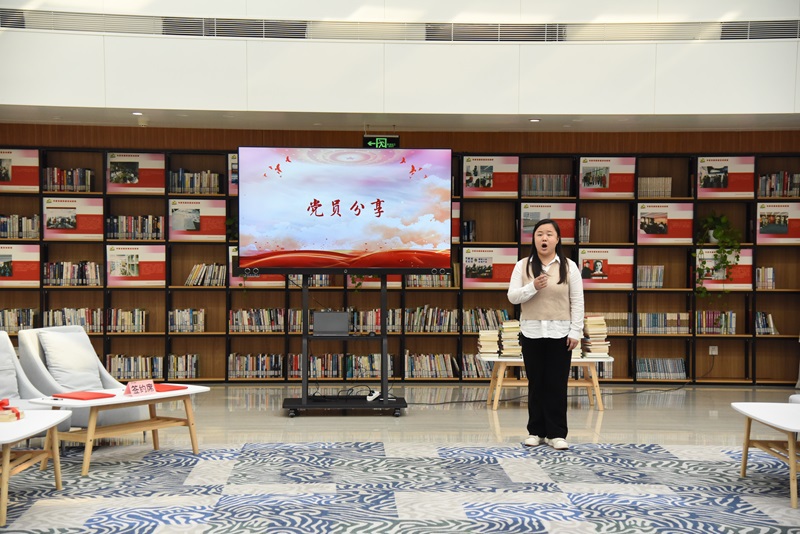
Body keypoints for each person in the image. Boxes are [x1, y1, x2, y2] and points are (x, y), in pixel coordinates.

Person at [507, 218, 584, 450]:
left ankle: (557, 434)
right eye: (540, 234)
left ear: (557, 239)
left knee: (556, 384)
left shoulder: (569, 267)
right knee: (536, 383)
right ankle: (536, 432)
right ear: (534, 239)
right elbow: (512, 297)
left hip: (561, 332)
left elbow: (577, 301)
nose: (544, 238)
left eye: (549, 234)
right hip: (531, 331)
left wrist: (576, 331)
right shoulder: (523, 266)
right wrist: (533, 287)